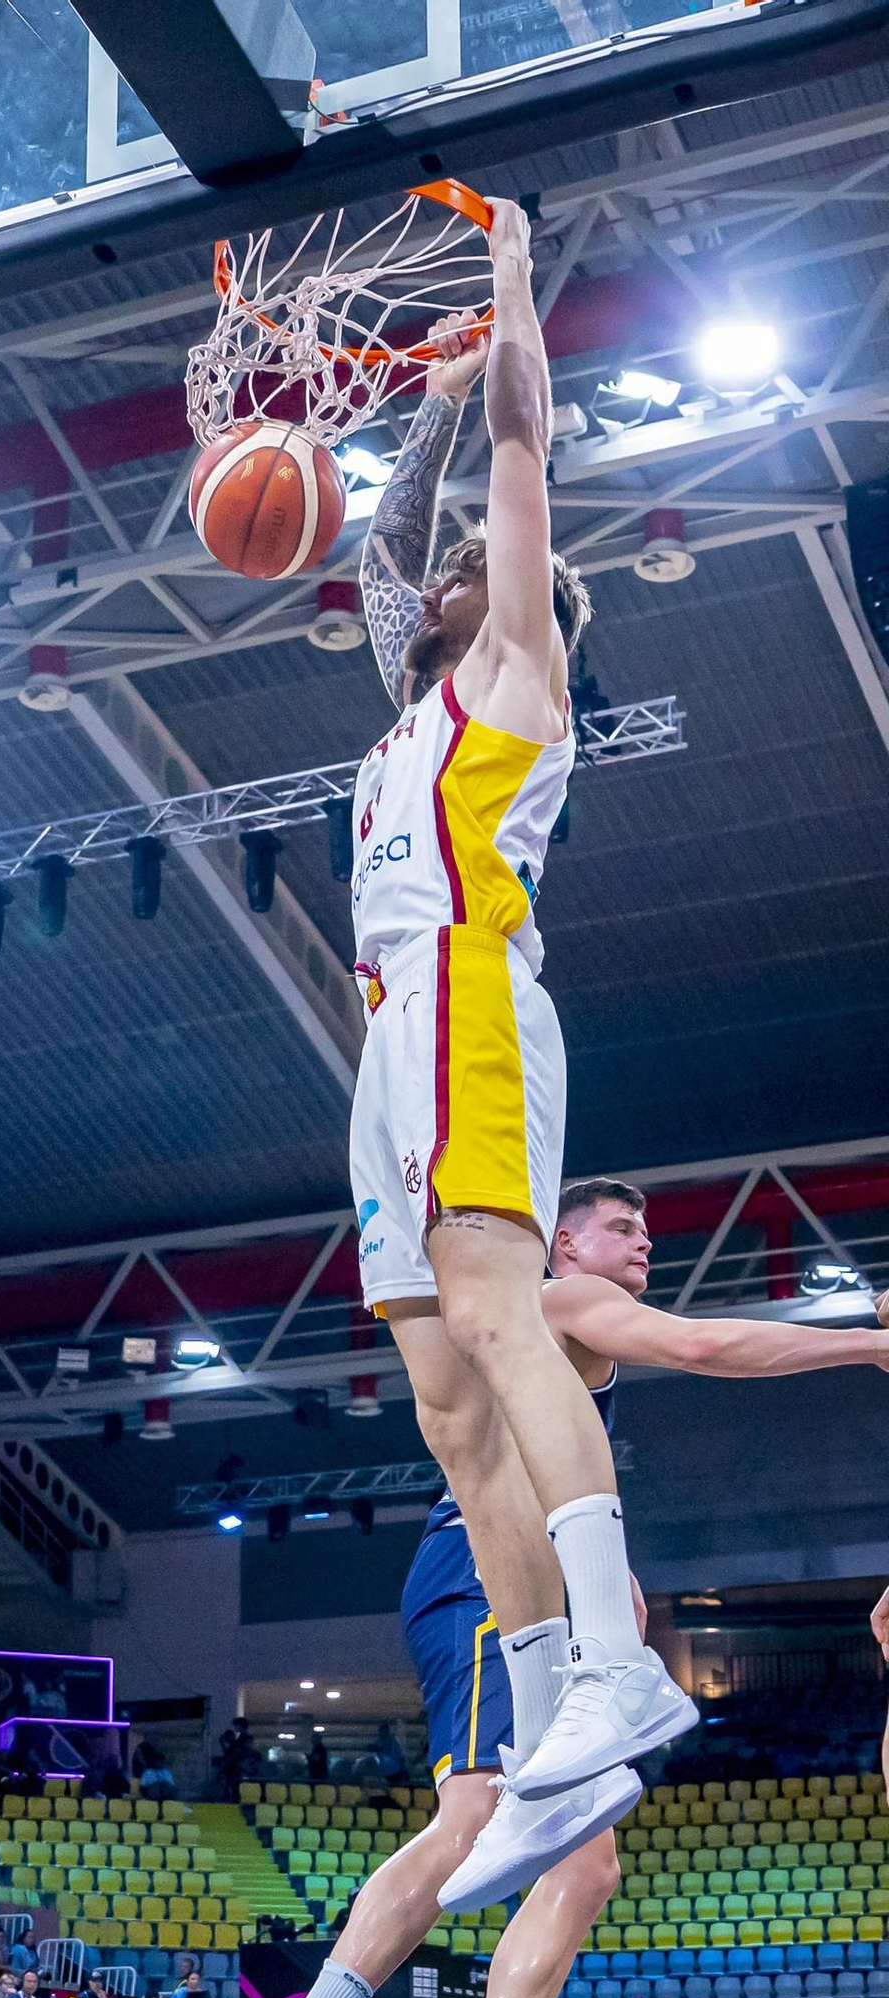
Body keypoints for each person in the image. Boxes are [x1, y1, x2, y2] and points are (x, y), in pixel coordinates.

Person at [217, 1175, 889, 1998]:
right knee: (474, 1818)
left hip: (521, 1591)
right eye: (621, 1227)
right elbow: (708, 1348)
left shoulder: (562, 1346)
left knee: (583, 1867)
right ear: (562, 1245)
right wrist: (868, 1340)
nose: (643, 1243)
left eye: (648, 1230)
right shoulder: (560, 1300)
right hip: (483, 1583)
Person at [343, 212, 696, 1849]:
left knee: (505, 1321)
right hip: (386, 1033)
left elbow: (516, 439)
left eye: (499, 557)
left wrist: (507, 288)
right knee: (442, 1392)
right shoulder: (409, 691)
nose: (466, 561)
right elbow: (380, 539)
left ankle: (622, 1657)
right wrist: (419, 391)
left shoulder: (523, 667)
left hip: (470, 991)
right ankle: (552, 1697)